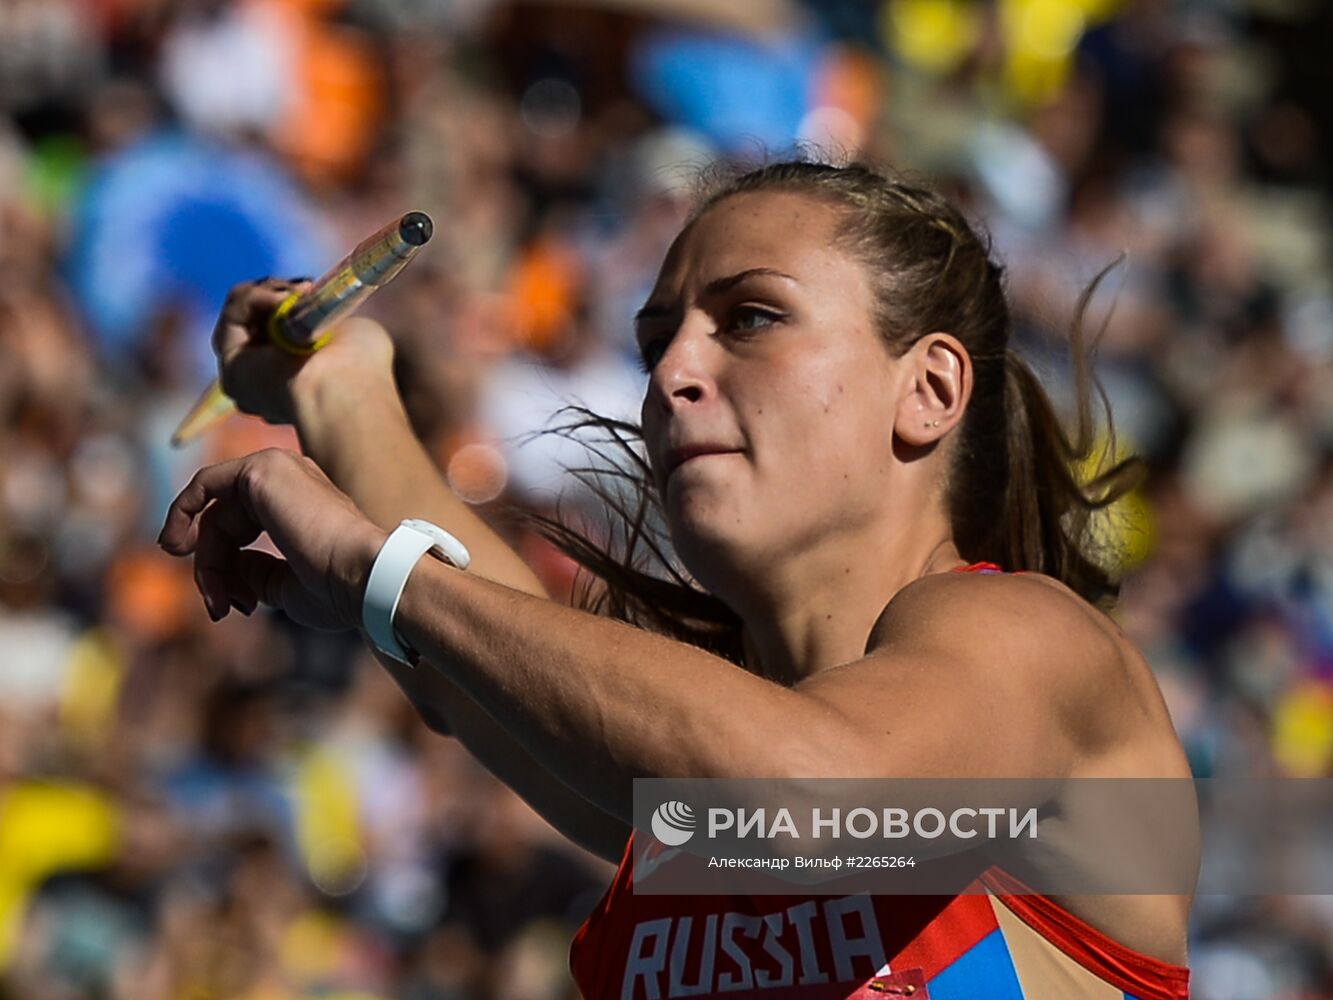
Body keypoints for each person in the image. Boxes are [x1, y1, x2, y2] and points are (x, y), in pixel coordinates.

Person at [158, 160, 1197, 998]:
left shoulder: (1034, 642)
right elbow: (485, 667)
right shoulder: (691, 806)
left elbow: (811, 802)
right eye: (656, 337)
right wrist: (336, 392)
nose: (669, 373)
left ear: (926, 390)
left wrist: (375, 568)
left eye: (749, 318)